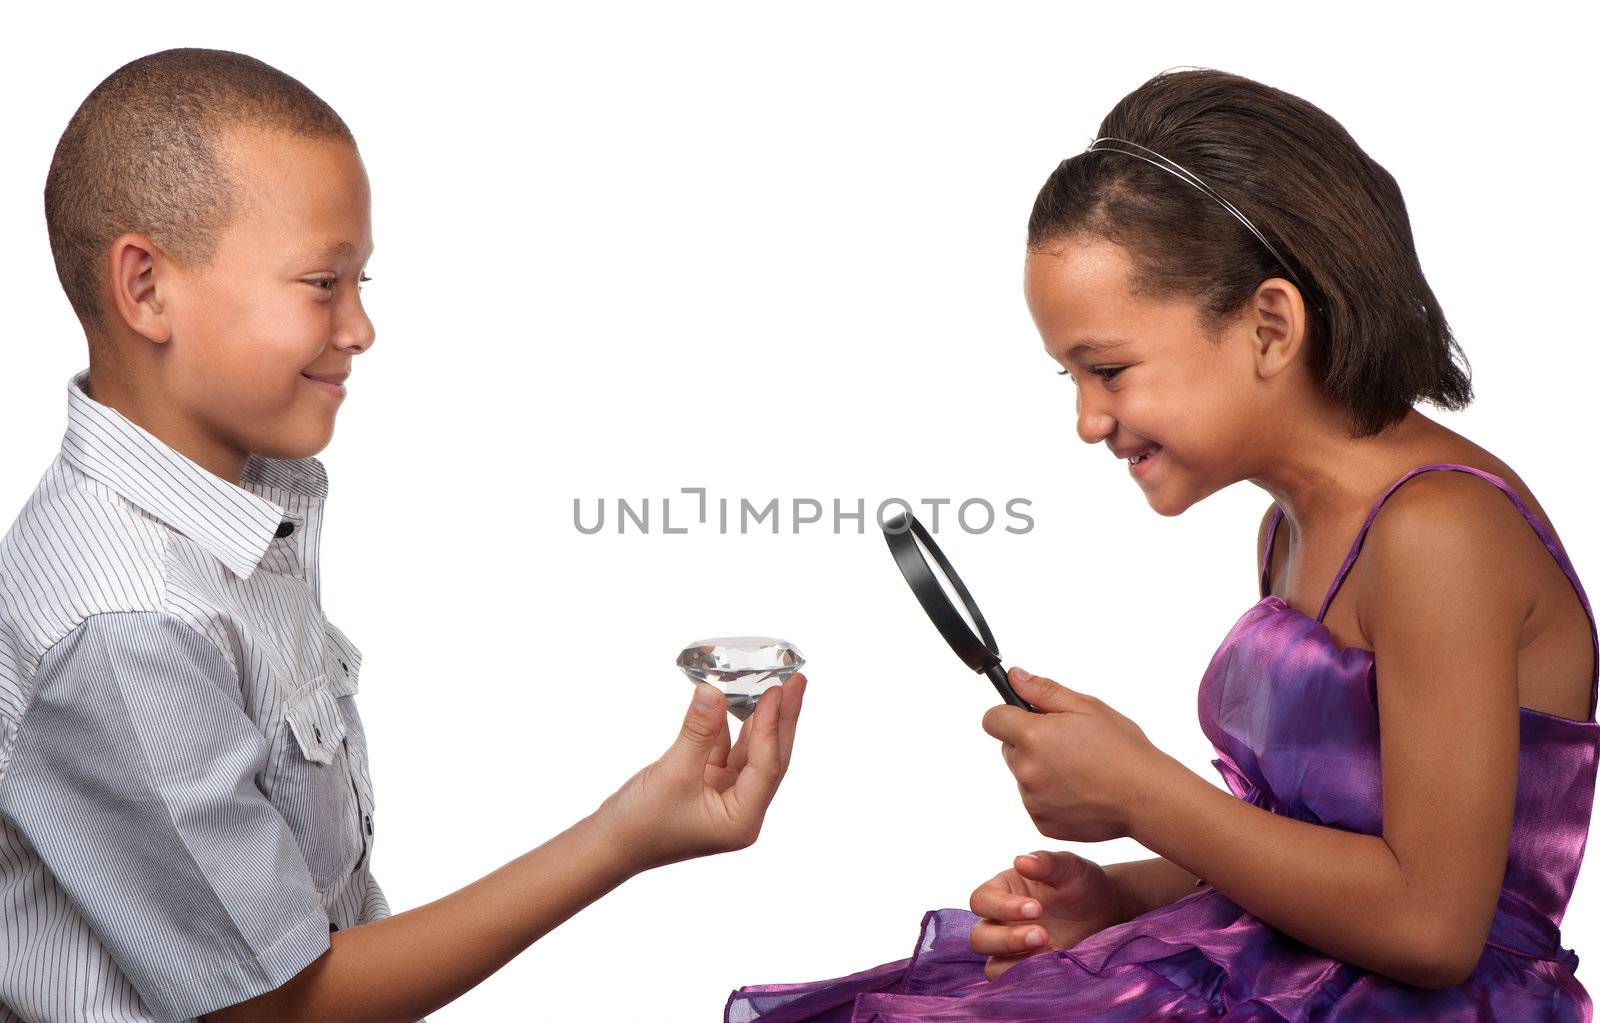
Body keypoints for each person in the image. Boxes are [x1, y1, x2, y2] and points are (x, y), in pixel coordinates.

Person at [726, 67, 1595, 1022]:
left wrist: (1144, 790)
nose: (1089, 420)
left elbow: (1432, 925)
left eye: (1108, 369)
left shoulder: (1440, 533)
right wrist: (1124, 895)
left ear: (1270, 325)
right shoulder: (1292, 527)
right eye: (1069, 378)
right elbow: (1311, 839)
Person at [0, 48, 807, 1023]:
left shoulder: (232, 510)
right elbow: (278, 1009)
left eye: (360, 280)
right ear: (146, 289)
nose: (361, 328)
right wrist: (621, 838)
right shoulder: (127, 622)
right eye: (321, 283)